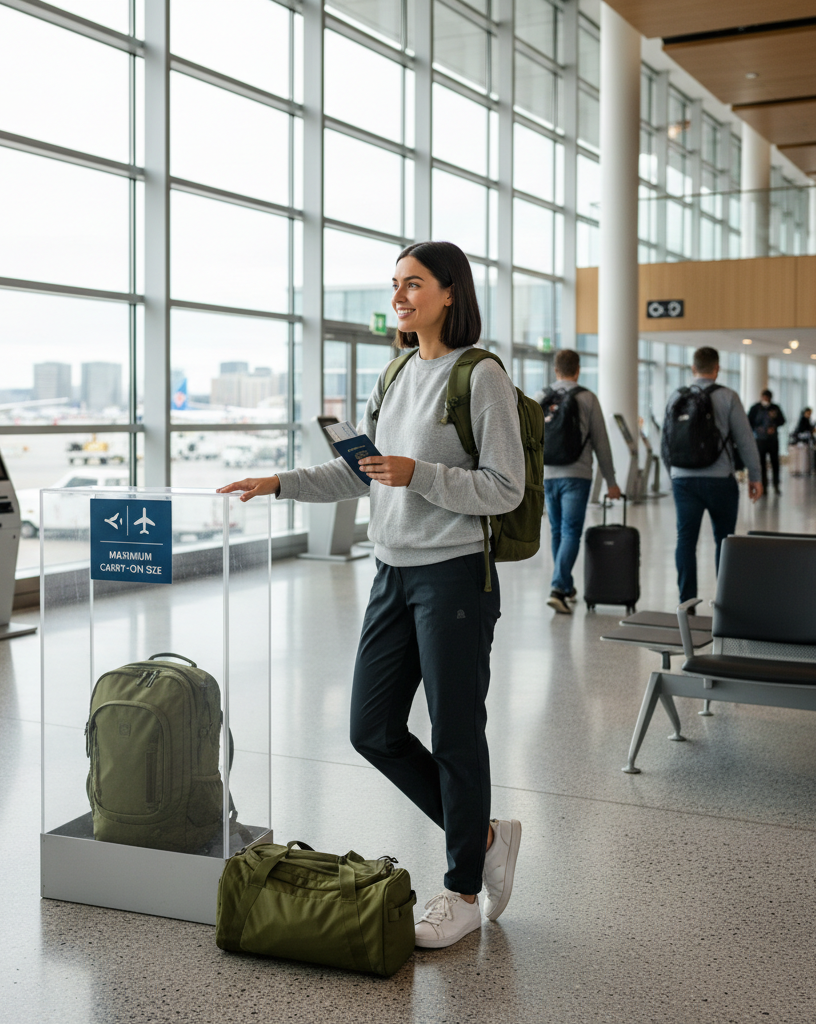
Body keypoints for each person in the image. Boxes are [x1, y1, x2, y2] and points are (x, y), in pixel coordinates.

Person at [219, 241, 525, 950]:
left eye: (413, 284)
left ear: (450, 292)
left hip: (454, 574)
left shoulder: (480, 377)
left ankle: (462, 890)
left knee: (453, 735)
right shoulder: (392, 374)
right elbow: (362, 473)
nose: (398, 296)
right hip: (391, 572)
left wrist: (419, 472)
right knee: (372, 728)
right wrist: (281, 483)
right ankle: (482, 834)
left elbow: (504, 489)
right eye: (394, 285)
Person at [664, 347, 762, 603]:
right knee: (724, 540)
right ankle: (724, 601)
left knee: (685, 539)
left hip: (683, 480)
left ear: (692, 368)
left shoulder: (676, 396)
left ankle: (687, 601)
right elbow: (745, 440)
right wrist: (756, 476)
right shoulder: (728, 396)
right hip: (720, 480)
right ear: (717, 368)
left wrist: (673, 475)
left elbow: (665, 442)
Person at [540, 349, 622, 614]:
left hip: (548, 474)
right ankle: (557, 587)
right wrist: (611, 481)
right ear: (578, 370)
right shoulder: (588, 397)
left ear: (556, 370)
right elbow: (601, 443)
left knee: (557, 531)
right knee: (571, 531)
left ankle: (565, 586)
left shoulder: (540, 397)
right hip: (577, 475)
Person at [747, 389, 786, 495]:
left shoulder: (775, 408)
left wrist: (774, 426)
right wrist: (758, 429)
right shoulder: (755, 408)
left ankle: (776, 485)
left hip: (772, 440)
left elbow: (782, 420)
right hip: (760, 440)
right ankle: (763, 486)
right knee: (761, 463)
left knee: (775, 463)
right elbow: (749, 421)